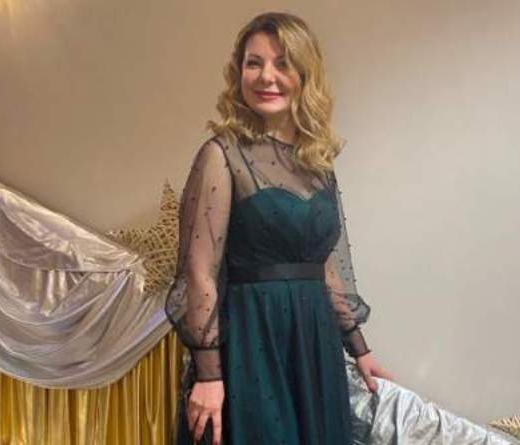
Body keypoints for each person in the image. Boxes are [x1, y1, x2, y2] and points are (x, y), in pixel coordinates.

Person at [165, 11, 392, 445]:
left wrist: (359, 349)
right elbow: (199, 272)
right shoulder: (222, 154)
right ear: (238, 73)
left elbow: (325, 265)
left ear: (305, 74)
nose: (266, 76)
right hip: (252, 341)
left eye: (282, 63)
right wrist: (209, 375)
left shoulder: (317, 162)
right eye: (254, 63)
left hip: (314, 342)